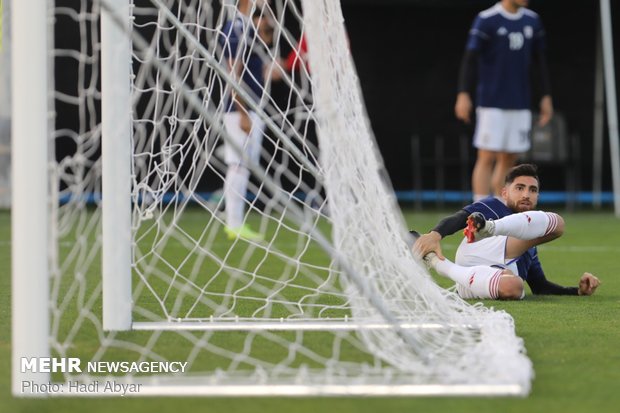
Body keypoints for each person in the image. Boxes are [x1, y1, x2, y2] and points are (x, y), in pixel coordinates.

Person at [412, 164, 600, 300]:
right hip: (476, 251)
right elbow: (460, 218)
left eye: (532, 190)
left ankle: (435, 262)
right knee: (557, 224)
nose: (526, 194)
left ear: (538, 196)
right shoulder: (493, 207)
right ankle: (489, 228)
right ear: (504, 193)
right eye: (519, 188)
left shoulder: (531, 246)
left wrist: (577, 291)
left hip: (475, 283)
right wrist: (435, 234)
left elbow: (540, 287)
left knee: (514, 287)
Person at [455, 0, 554, 201]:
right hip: (492, 103)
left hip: (520, 102)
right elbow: (470, 59)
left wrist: (545, 96)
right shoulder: (487, 19)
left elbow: (538, 63)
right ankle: (479, 210)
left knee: (510, 158)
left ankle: (499, 209)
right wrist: (463, 93)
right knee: (487, 156)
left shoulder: (532, 21)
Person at [218, 0, 280, 241]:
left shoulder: (249, 26)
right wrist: (242, 112)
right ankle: (233, 224)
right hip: (239, 110)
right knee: (237, 164)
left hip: (254, 107)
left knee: (244, 165)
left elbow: (268, 38)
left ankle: (236, 222)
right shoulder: (234, 28)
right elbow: (233, 72)